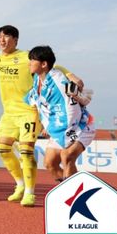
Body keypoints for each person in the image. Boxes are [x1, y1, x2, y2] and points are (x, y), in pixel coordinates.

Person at [0, 25, 82, 207]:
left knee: (26, 151)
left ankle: (30, 193)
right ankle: (20, 184)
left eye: (7, 36)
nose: (2, 40)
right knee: (2, 149)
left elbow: (51, 65)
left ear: (15, 40)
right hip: (8, 113)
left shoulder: (26, 56)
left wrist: (71, 75)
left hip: (29, 111)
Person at [25, 46, 95, 181]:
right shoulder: (37, 78)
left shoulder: (59, 83)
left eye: (32, 60)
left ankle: (73, 192)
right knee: (50, 163)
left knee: (67, 156)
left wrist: (52, 127)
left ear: (44, 64)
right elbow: (40, 104)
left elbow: (73, 110)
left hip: (81, 126)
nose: (29, 63)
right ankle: (75, 187)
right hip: (60, 128)